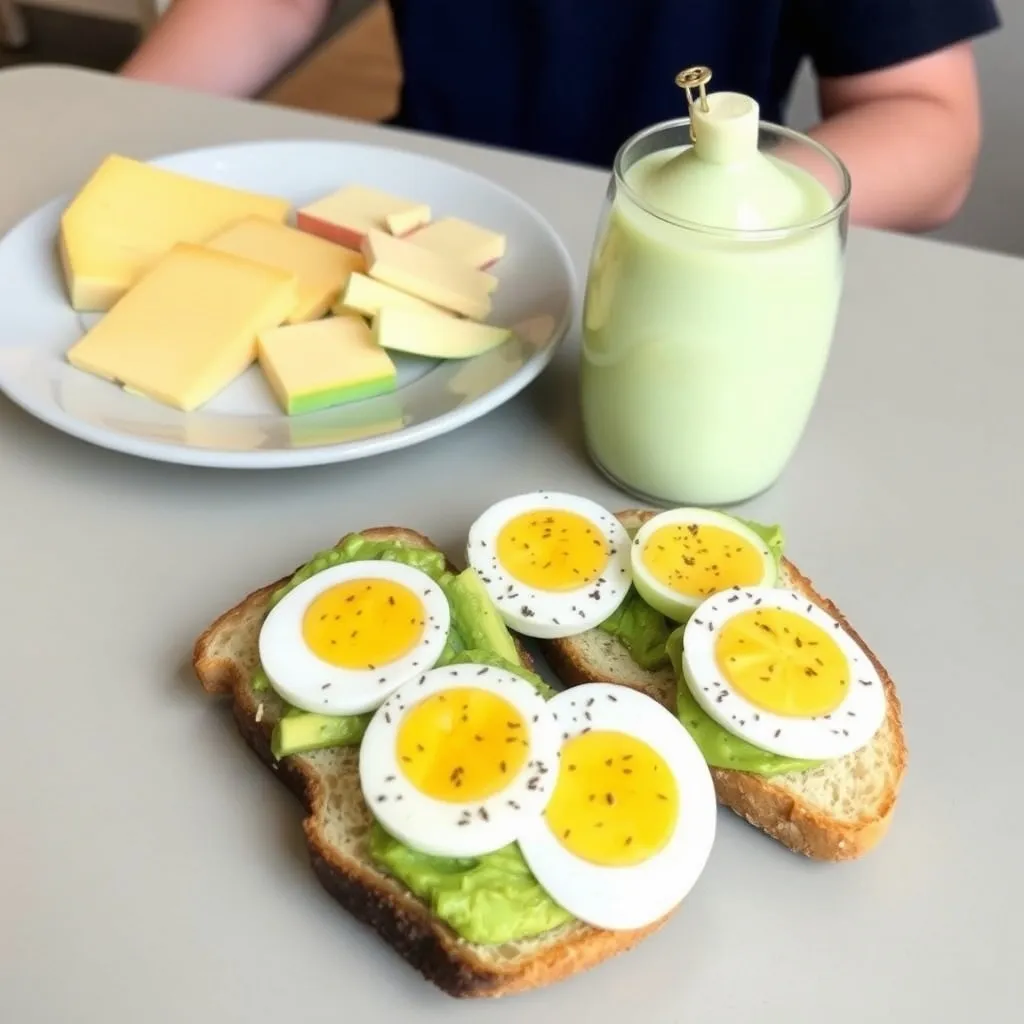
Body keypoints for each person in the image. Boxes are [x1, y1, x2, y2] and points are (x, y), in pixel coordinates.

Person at [120, 0, 1001, 232]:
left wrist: (700, 223)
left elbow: (927, 123)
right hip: (422, 218)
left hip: (693, 249)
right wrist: (111, 137)